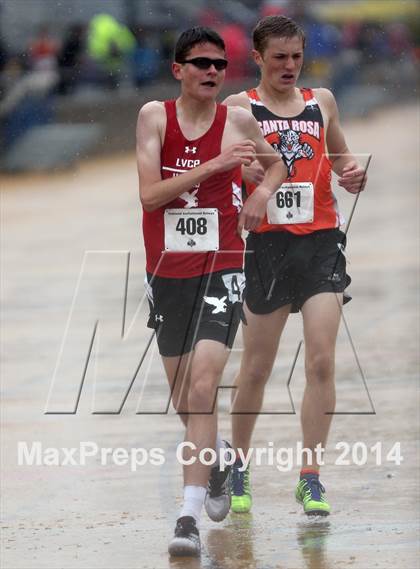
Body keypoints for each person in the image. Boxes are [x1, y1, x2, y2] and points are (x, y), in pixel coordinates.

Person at [136, 27, 287, 556]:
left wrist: (260, 195)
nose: (212, 72)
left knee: (202, 390)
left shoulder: (239, 121)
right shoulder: (154, 117)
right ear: (178, 70)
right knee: (186, 402)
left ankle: (187, 519)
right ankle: (219, 458)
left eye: (220, 65)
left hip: (222, 268)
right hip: (166, 273)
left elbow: (277, 163)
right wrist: (218, 166)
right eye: (200, 63)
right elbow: (151, 197)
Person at [223, 15, 367, 517]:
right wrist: (253, 180)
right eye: (279, 57)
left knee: (322, 361)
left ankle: (310, 478)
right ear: (258, 58)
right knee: (257, 369)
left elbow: (343, 157)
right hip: (267, 248)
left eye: (296, 57)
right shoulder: (239, 108)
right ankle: (237, 463)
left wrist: (352, 174)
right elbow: (227, 168)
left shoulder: (321, 101)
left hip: (322, 243)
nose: (289, 66)